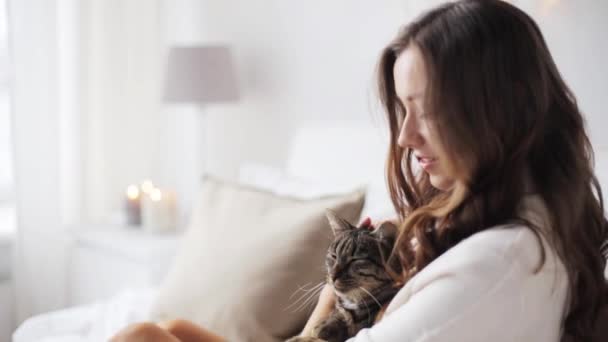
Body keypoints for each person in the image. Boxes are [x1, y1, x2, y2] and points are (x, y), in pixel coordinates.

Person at [111, 0, 608, 341]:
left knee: (142, 335)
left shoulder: (498, 263)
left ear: (495, 111)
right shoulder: (514, 227)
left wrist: (330, 301)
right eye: (402, 111)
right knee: (168, 326)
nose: (407, 138)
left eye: (426, 109)